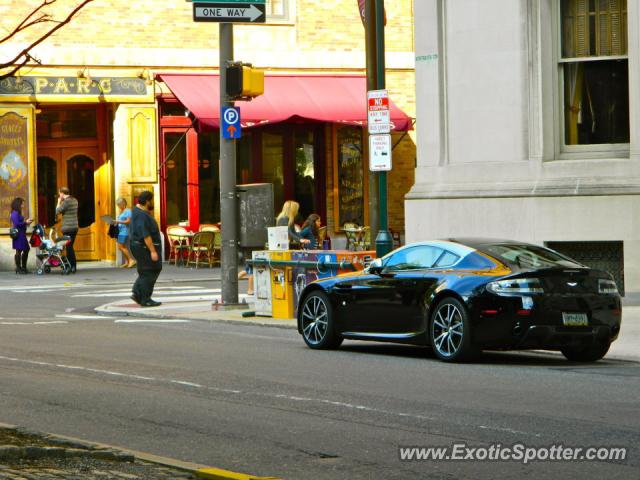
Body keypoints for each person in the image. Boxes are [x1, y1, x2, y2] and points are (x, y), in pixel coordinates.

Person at [129, 190, 162, 307]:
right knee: (150, 270)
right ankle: (145, 298)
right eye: (151, 200)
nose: (152, 203)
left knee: (145, 271)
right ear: (147, 201)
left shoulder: (137, 211)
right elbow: (146, 235)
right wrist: (153, 251)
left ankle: (137, 293)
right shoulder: (142, 215)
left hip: (138, 245)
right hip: (143, 247)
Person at [55, 187, 79, 273]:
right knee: (70, 246)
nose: (59, 195)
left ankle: (71, 266)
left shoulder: (66, 202)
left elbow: (57, 211)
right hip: (75, 227)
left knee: (69, 247)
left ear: (62, 193)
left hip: (68, 227)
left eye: (59, 193)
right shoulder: (75, 200)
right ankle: (73, 266)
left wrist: (58, 202)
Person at [10, 197, 33, 274]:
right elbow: (16, 224)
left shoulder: (17, 212)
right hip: (18, 234)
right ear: (18, 204)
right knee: (19, 250)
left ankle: (23, 268)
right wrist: (26, 222)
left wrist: (27, 223)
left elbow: (19, 223)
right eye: (22, 204)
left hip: (22, 234)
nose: (23, 205)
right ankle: (19, 268)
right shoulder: (15, 213)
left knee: (25, 249)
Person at [113, 197, 135, 268]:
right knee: (123, 246)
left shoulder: (128, 211)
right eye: (118, 205)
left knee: (120, 246)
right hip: (120, 231)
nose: (119, 206)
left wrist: (118, 221)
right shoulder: (122, 212)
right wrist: (115, 223)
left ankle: (131, 260)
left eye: (119, 205)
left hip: (124, 231)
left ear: (123, 204)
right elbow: (121, 222)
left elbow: (128, 221)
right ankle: (127, 261)